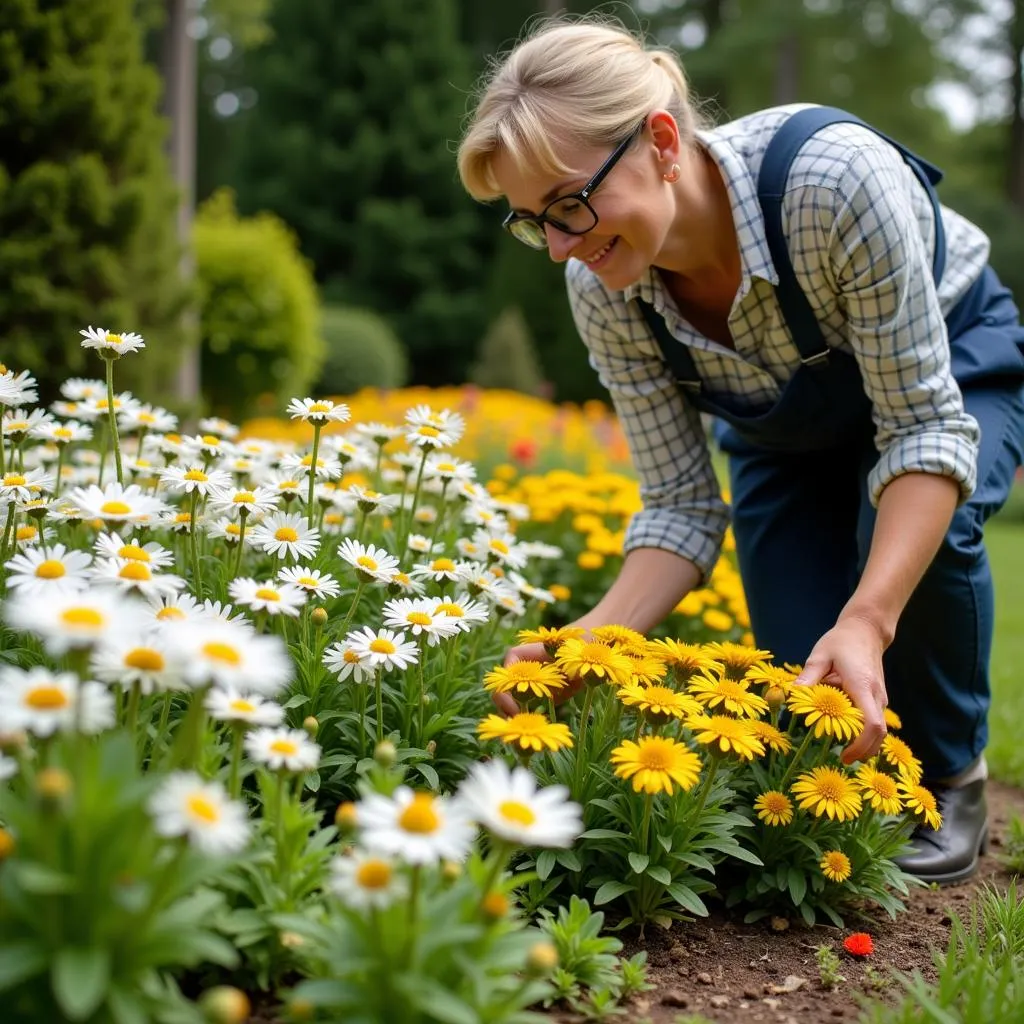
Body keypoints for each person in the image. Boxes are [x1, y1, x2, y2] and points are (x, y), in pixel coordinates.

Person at [455, 17, 1024, 886]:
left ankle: (951, 776)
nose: (565, 246)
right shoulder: (605, 293)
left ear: (662, 140)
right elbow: (680, 504)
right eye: (536, 224)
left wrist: (869, 620)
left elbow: (921, 427)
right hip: (783, 428)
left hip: (951, 362)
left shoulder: (832, 181)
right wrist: (589, 647)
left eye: (571, 203)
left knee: (915, 544)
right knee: (802, 712)